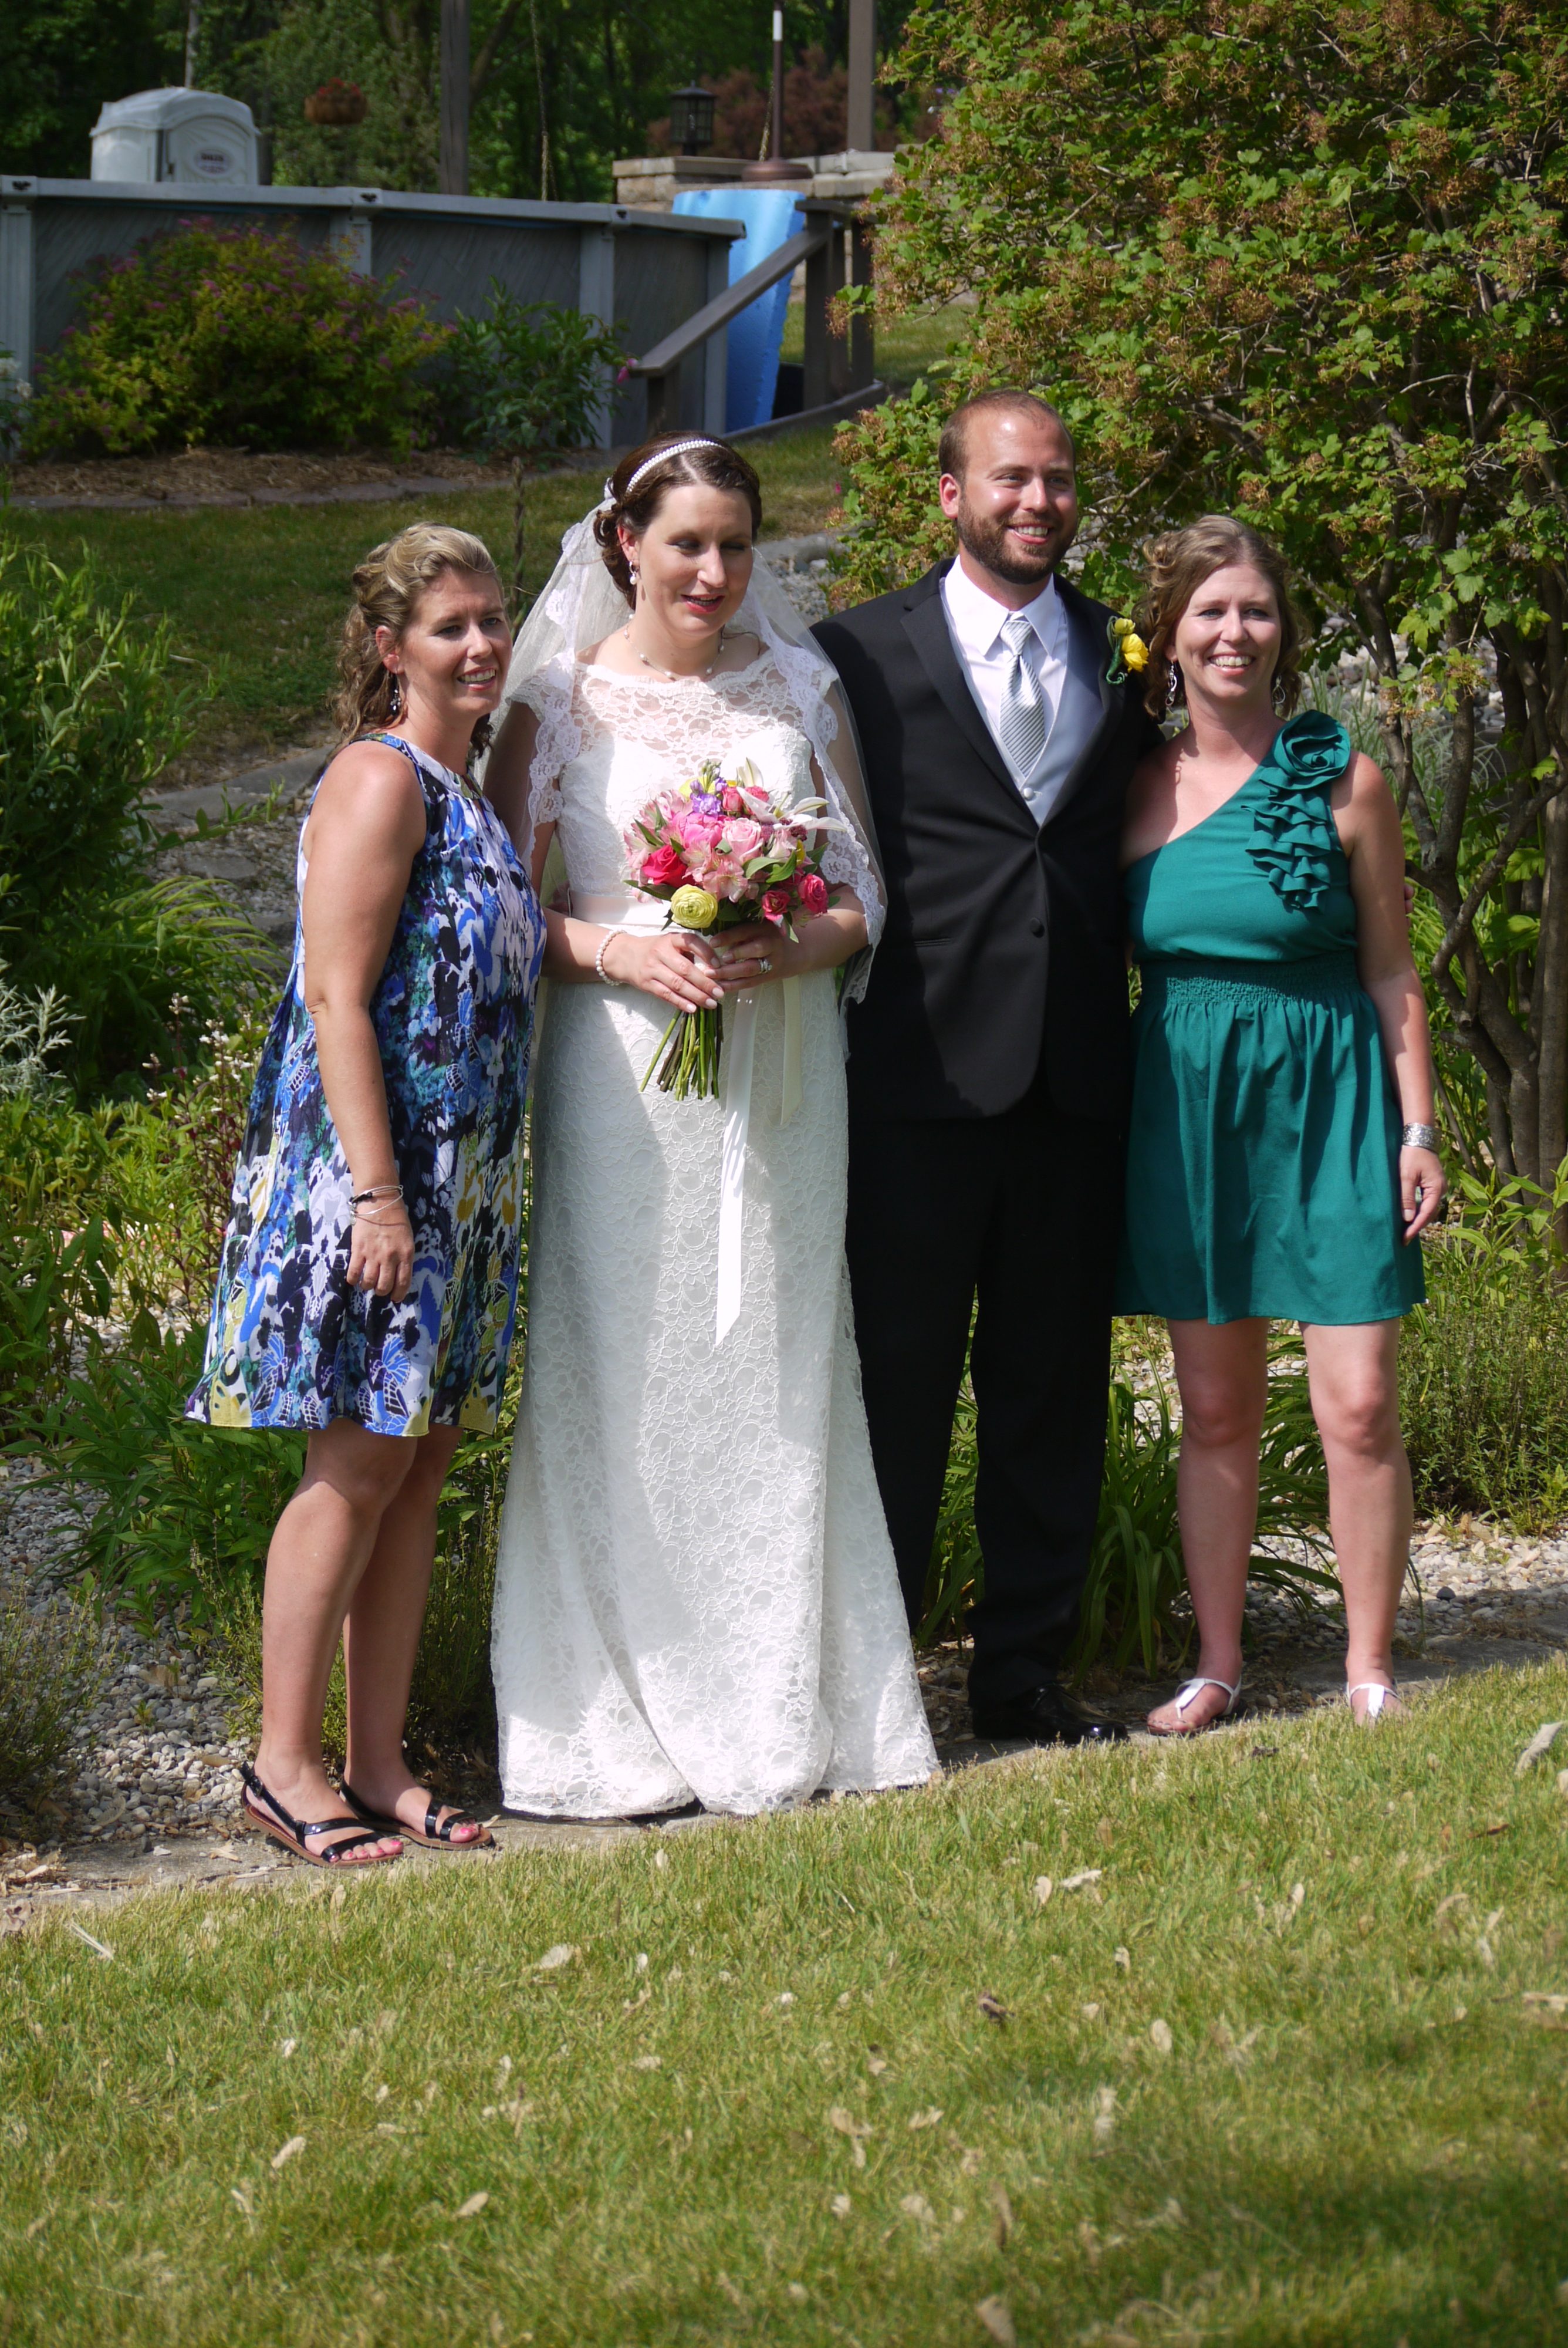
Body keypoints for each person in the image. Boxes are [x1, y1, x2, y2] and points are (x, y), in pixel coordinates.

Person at [482, 433, 936, 1819]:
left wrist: (783, 944)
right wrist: (620, 950)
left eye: (736, 545)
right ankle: (606, 1718)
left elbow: (861, 895)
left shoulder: (798, 684)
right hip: (620, 1081)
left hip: (781, 1078)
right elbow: (499, 910)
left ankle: (781, 1701)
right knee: (620, 1366)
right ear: (626, 542)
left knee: (778, 1366)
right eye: (687, 542)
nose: (714, 571)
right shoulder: (556, 701)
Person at [186, 523, 545, 1863]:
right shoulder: (380, 778)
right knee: (352, 1462)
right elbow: (337, 997)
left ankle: (379, 1760)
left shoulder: (468, 794)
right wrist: (381, 1200)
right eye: (451, 625)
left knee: (416, 1460)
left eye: (493, 619)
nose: (482, 644)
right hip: (375, 1183)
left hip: (462, 1186)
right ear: (391, 649)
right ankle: (282, 1765)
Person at [813, 390, 1160, 1747]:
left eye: (1058, 480)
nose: (1038, 501)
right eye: (1010, 478)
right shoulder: (856, 652)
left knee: (1049, 1393)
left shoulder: (1122, 652)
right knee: (895, 1392)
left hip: (1073, 1081)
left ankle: (1022, 1674)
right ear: (951, 492)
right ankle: (878, 1686)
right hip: (915, 1078)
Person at [1115, 516, 1445, 1730]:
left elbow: (1392, 971)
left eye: (1255, 609)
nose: (1234, 632)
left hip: (1335, 1103)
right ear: (1168, 634)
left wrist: (1419, 1130)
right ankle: (1217, 1663)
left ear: (1283, 629)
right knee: (1214, 1409)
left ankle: (1369, 1668)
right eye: (1209, 610)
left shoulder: (1345, 781)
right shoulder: (1130, 787)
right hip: (1189, 1113)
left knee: (1356, 1403)